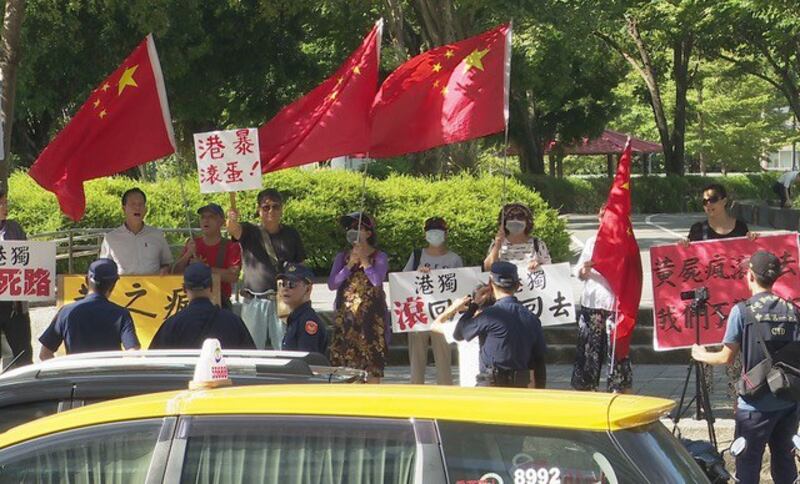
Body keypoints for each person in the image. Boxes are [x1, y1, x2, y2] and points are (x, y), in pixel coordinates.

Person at [692, 250, 800, 484]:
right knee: (785, 463)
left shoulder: (742, 311)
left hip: (754, 404)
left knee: (748, 465)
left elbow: (725, 358)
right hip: (789, 402)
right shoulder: (793, 311)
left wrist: (700, 354)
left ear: (750, 276)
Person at [684, 183, 757, 404]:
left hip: (735, 307)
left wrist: (754, 241)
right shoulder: (698, 230)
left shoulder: (741, 228)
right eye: (704, 201)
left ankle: (739, 405)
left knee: (735, 360)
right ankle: (704, 407)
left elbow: (750, 262)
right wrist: (682, 247)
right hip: (707, 308)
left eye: (713, 199)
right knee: (704, 363)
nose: (708, 204)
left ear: (725, 200)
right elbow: (688, 264)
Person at [436, 261, 547, 388]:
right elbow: (539, 362)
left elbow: (459, 334)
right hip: (520, 387)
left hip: (491, 386)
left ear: (490, 283)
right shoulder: (532, 318)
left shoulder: (489, 315)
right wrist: (540, 391)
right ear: (517, 285)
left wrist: (474, 305)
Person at [227, 188, 306, 350]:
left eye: (276, 207)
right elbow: (233, 229)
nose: (271, 211)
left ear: (282, 208)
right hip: (254, 301)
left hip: (284, 300)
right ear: (259, 210)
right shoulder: (249, 231)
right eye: (266, 207)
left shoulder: (292, 234)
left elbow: (301, 268)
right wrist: (232, 218)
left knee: (285, 349)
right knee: (251, 351)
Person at [571, 205, 632, 393]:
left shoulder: (627, 242)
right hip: (592, 301)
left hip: (616, 303)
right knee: (590, 348)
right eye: (601, 217)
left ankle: (618, 388)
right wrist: (584, 270)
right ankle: (587, 387)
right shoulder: (592, 241)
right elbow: (578, 271)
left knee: (616, 349)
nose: (603, 221)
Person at [328, 212, 389, 384]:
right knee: (347, 364)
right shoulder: (342, 257)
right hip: (347, 318)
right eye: (350, 228)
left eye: (358, 228)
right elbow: (332, 284)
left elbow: (377, 281)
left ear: (368, 233)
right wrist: (348, 265)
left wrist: (364, 260)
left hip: (371, 320)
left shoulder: (380, 256)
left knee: (372, 364)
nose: (353, 231)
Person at [39, 259, 140, 359]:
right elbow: (133, 354)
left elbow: (44, 354)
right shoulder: (121, 314)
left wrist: (63, 373)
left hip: (77, 374)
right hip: (109, 374)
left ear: (87, 280)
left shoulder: (66, 312)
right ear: (113, 285)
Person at [402, 216, 462, 385]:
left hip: (443, 314)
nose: (435, 234)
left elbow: (460, 285)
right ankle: (416, 393)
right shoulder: (416, 256)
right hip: (418, 313)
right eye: (431, 230)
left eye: (439, 230)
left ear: (446, 233)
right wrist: (416, 274)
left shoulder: (454, 259)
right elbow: (402, 281)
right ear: (425, 234)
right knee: (416, 360)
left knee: (443, 359)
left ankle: (445, 394)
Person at [150, 262, 254, 350]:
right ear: (212, 287)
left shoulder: (172, 325)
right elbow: (251, 356)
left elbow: (154, 361)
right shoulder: (233, 322)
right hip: (224, 374)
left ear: (184, 289)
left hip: (186, 374)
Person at [173, 203, 242, 309]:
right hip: (192, 304)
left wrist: (204, 268)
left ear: (222, 222)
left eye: (211, 217)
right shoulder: (192, 243)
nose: (206, 220)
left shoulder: (231, 246)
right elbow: (175, 272)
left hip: (220, 304)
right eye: (203, 217)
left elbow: (233, 276)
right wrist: (187, 255)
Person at [99, 187, 173, 275]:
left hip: (153, 286)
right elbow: (104, 268)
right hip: (123, 287)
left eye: (141, 204)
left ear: (145, 210)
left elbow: (167, 262)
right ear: (124, 209)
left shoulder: (157, 235)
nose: (137, 207)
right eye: (133, 204)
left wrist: (165, 269)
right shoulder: (110, 238)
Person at [0, 190, 32, 368]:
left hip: (15, 303)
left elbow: (29, 259)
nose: (5, 207)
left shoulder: (15, 228)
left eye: (6, 202)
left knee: (22, 355)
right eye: (1, 204)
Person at [484, 202, 551, 271]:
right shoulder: (497, 244)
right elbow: (487, 268)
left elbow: (549, 269)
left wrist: (538, 265)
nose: (515, 221)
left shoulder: (537, 244)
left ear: (527, 222)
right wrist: (497, 244)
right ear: (504, 222)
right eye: (511, 218)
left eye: (520, 218)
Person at [278, 263, 328, 354]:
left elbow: (307, 362)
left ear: (308, 289)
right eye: (283, 284)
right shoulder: (296, 318)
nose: (285, 288)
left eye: (292, 284)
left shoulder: (308, 321)